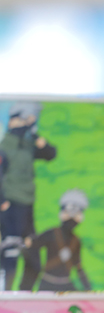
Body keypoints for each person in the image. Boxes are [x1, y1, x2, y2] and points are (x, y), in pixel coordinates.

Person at [0, 101, 56, 289]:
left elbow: (50, 153)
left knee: (33, 257)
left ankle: (23, 295)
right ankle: (5, 296)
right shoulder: (5, 145)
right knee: (10, 255)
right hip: (10, 206)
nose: (29, 122)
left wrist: (35, 136)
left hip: (26, 206)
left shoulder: (28, 144)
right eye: (27, 118)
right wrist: (2, 202)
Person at [20, 189, 91, 291]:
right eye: (68, 212)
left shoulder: (76, 241)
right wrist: (26, 242)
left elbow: (78, 266)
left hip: (67, 285)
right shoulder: (52, 233)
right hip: (47, 283)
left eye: (75, 214)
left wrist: (88, 289)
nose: (71, 217)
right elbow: (33, 244)